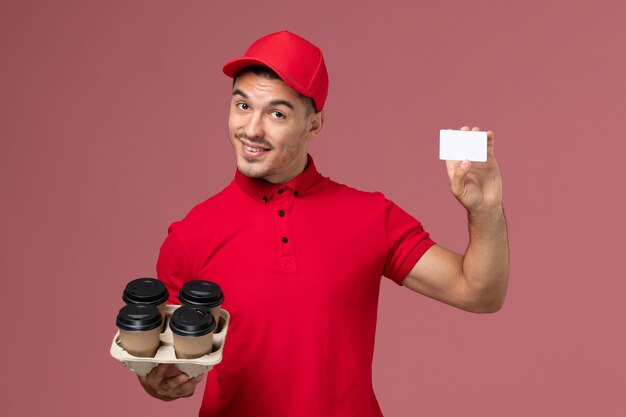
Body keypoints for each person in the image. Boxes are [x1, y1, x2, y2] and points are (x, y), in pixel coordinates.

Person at [137, 30, 509, 416]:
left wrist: (485, 210)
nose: (251, 129)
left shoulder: (370, 216)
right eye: (242, 105)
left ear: (314, 125)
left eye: (277, 114)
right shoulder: (190, 234)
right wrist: (156, 380)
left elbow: (479, 293)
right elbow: (162, 358)